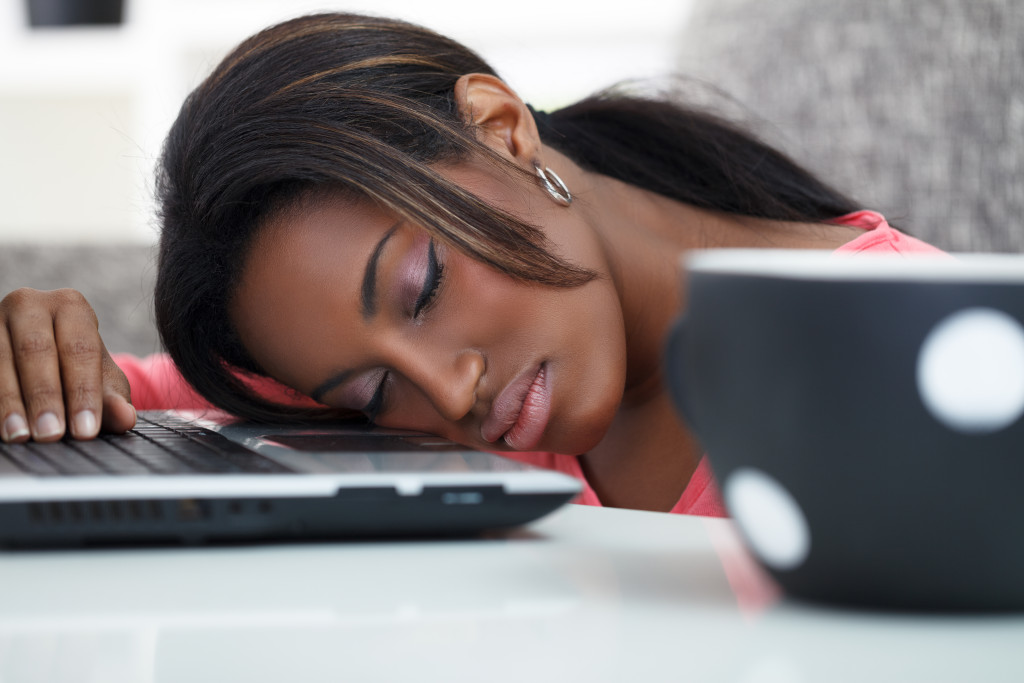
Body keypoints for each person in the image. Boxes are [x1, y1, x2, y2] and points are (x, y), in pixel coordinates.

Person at [0, 12, 943, 515]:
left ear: (500, 128)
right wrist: (38, 356)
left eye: (423, 288)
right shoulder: (466, 380)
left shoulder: (910, 346)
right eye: (370, 391)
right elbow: (118, 393)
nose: (446, 395)